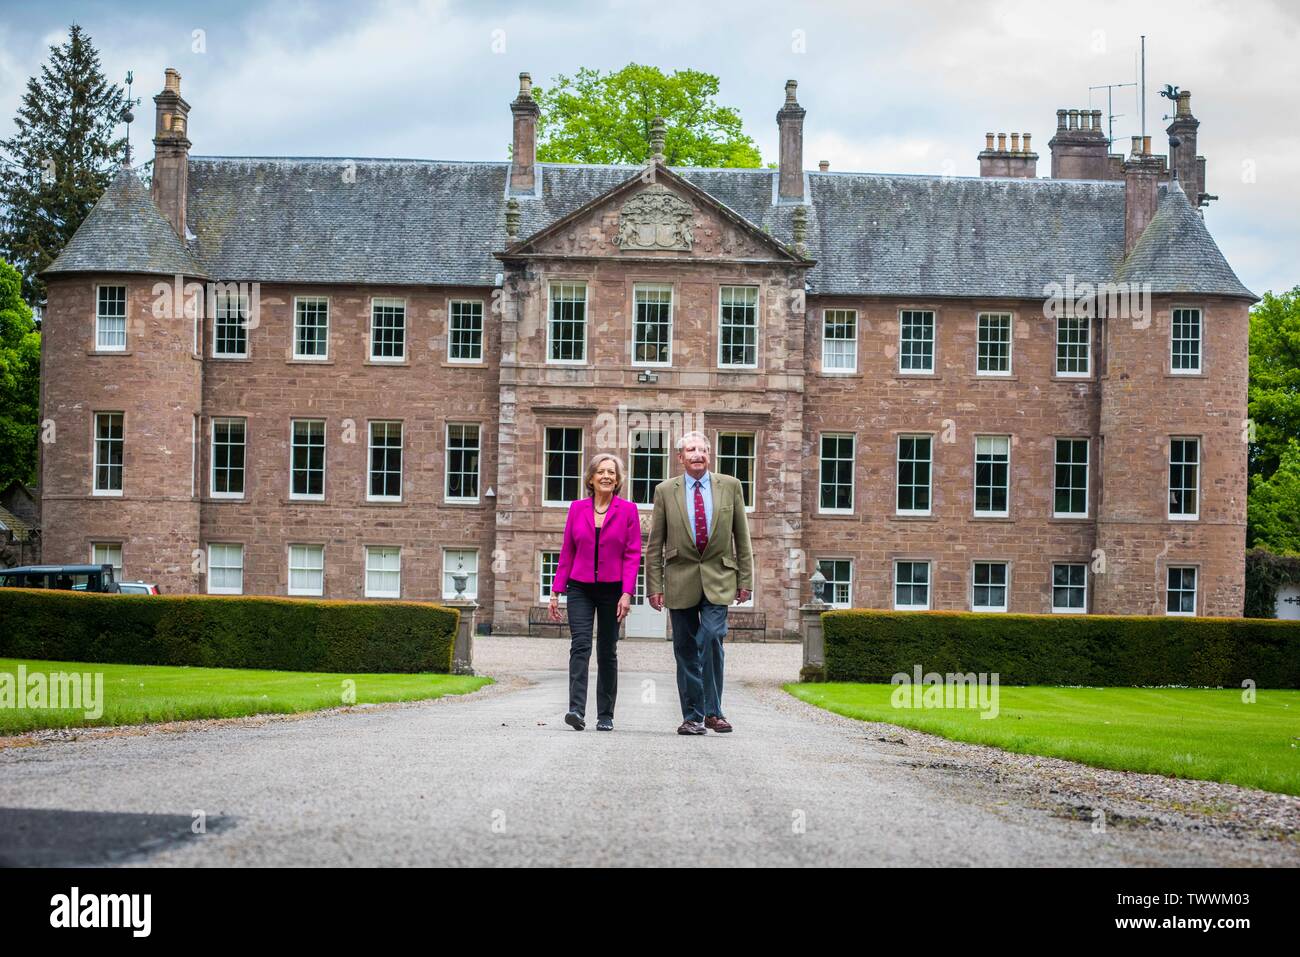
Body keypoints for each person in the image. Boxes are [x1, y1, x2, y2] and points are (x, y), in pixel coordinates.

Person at [645, 431, 753, 735]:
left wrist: (745, 580)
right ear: (680, 458)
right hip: (679, 579)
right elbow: (656, 543)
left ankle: (714, 712)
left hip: (720, 577)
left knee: (710, 639)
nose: (697, 454)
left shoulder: (730, 487)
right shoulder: (666, 491)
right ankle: (693, 717)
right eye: (691, 450)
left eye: (702, 449)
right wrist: (654, 586)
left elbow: (741, 538)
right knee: (685, 649)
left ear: (710, 454)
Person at [549, 452, 642, 732]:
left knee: (606, 650)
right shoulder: (577, 508)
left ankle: (605, 714)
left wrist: (627, 594)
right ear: (590, 478)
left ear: (617, 480)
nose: (606, 476)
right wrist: (555, 592)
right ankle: (576, 710)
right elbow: (567, 552)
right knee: (580, 646)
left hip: (613, 590)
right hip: (580, 588)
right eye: (601, 471)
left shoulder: (628, 510)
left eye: (611, 472)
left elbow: (632, 554)